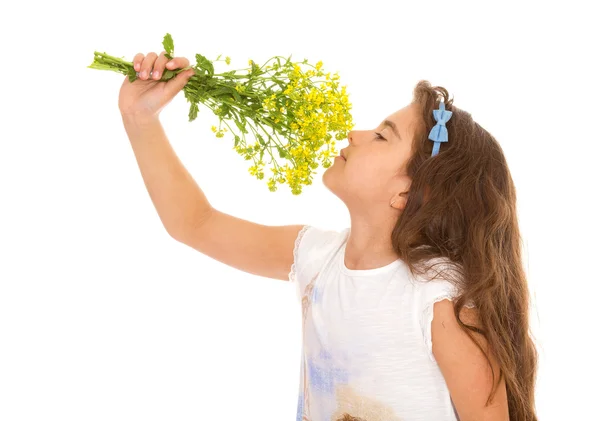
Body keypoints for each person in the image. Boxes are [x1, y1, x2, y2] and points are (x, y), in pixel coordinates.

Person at [118, 51, 538, 421]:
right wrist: (140, 119)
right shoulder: (316, 258)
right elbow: (195, 224)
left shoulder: (439, 300)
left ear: (405, 192)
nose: (354, 134)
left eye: (380, 135)